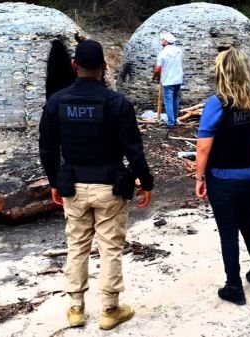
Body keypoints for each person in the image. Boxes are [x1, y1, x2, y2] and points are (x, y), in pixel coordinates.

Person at [39, 39, 154, 329]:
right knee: (110, 249)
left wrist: (53, 180)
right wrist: (147, 181)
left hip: (73, 186)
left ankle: (76, 308)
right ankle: (109, 310)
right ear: (104, 67)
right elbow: (133, 149)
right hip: (109, 187)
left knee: (76, 246)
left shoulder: (56, 102)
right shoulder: (117, 103)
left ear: (74, 66)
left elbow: (48, 148)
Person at [194, 47, 250, 305]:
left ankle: (234, 286)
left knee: (228, 232)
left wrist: (199, 178)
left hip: (224, 178)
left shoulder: (217, 104)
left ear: (221, 72)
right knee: (249, 223)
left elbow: (204, 146)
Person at [152, 32, 184, 128]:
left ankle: (171, 123)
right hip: (178, 79)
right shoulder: (179, 50)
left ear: (166, 41)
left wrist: (154, 77)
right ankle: (174, 119)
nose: (161, 41)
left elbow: (158, 69)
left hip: (168, 80)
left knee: (168, 101)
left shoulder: (163, 53)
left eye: (162, 40)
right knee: (175, 99)